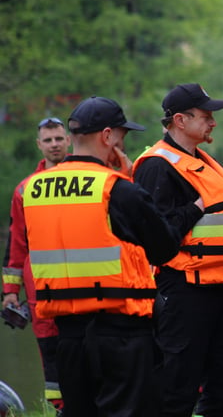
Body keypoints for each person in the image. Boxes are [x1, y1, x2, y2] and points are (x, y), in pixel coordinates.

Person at [22, 96, 180, 417]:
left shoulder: (34, 189)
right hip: (121, 334)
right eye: (121, 139)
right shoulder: (118, 189)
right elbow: (165, 247)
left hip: (67, 335)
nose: (121, 148)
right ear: (107, 136)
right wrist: (130, 180)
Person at [133, 83, 223, 417]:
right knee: (177, 389)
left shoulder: (203, 160)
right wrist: (196, 207)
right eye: (206, 115)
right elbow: (158, 240)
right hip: (184, 292)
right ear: (180, 120)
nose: (213, 122)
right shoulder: (157, 166)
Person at [2, 117, 69, 415]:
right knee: (50, 353)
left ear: (68, 140)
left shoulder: (87, 181)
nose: (54, 144)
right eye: (48, 140)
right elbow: (17, 244)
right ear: (39, 145)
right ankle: (59, 409)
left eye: (58, 138)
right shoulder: (25, 190)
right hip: (39, 289)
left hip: (83, 284)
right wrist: (10, 292)